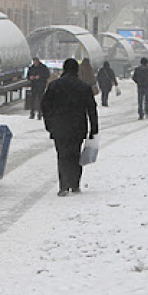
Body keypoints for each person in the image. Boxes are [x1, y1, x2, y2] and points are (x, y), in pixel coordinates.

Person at [41, 58, 99, 197]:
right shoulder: (84, 87)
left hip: (59, 127)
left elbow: (45, 106)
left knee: (62, 155)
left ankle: (63, 185)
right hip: (78, 127)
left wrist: (49, 124)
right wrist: (94, 128)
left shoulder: (54, 86)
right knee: (75, 155)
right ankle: (74, 183)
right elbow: (92, 109)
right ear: (76, 70)